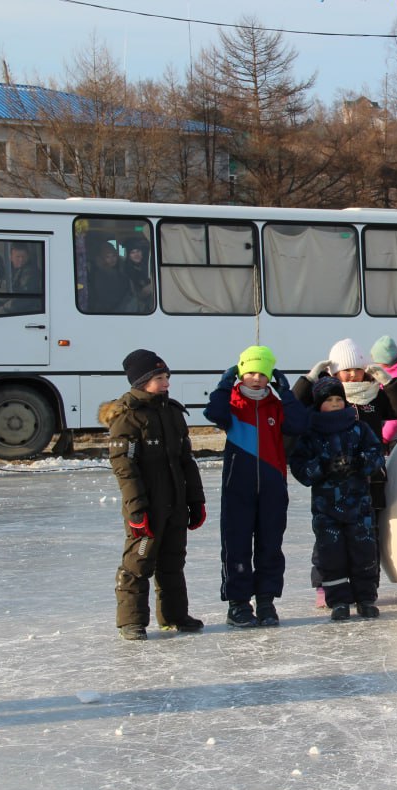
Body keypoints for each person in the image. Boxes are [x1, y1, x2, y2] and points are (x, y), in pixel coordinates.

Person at [295, 337, 397, 603]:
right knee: (329, 533)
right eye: (345, 369)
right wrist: (309, 380)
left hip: (369, 478)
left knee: (368, 535)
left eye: (356, 368)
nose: (352, 374)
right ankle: (326, 584)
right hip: (331, 482)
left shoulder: (374, 395)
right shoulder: (327, 397)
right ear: (334, 372)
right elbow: (293, 408)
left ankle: (366, 586)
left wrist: (389, 381)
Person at [99, 349, 206, 640]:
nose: (166, 383)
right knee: (139, 561)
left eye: (167, 377)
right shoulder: (128, 418)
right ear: (141, 381)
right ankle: (131, 621)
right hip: (147, 507)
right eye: (159, 378)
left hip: (176, 504)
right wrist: (137, 510)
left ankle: (174, 615)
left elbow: (186, 461)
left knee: (173, 561)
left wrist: (196, 500)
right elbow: (125, 469)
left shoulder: (172, 413)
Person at [203, 345, 308, 628]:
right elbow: (213, 413)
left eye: (262, 373)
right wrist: (225, 385)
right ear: (239, 373)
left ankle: (265, 601)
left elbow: (299, 424)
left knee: (270, 545)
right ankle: (238, 604)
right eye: (249, 372)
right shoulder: (233, 404)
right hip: (238, 486)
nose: (256, 378)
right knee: (236, 545)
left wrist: (286, 393)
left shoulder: (276, 404)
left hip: (273, 487)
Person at [289, 378, 386, 620]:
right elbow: (300, 468)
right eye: (328, 400)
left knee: (364, 552)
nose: (334, 404)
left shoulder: (358, 428)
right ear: (318, 404)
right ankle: (339, 601)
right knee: (331, 555)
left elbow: (376, 454)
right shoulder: (311, 434)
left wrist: (358, 462)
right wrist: (323, 466)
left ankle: (365, 598)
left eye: (338, 399)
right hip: (326, 510)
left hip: (359, 507)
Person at [370, 335, 397, 452]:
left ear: (384, 362)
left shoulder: (395, 378)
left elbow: (396, 416)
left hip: (395, 434)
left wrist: (385, 436)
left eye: (376, 361)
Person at [84, 242, 134, 313]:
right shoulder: (100, 275)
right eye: (107, 257)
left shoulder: (121, 271)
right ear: (102, 259)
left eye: (114, 256)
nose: (112, 259)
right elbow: (106, 298)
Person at [121, 237, 154, 312]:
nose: (136, 255)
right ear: (128, 255)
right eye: (132, 252)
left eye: (138, 251)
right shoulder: (126, 271)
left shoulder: (149, 266)